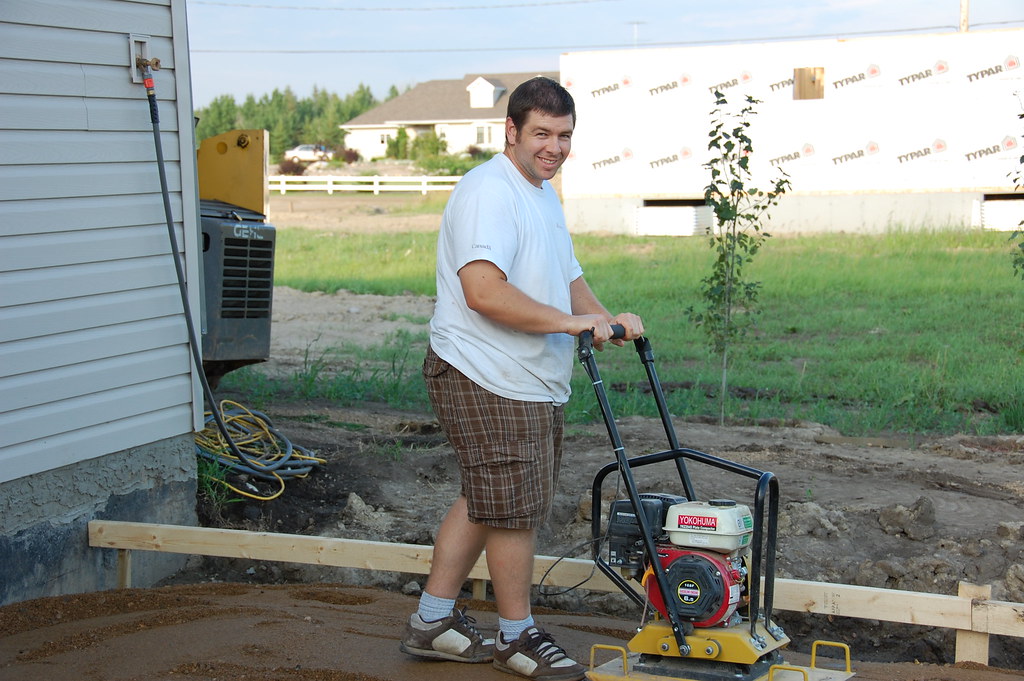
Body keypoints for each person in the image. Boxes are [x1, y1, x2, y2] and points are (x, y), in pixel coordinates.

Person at [398, 76, 644, 681]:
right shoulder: (490, 192)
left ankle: (431, 620)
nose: (554, 147)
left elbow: (567, 277)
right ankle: (516, 637)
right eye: (542, 133)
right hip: (485, 370)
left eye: (564, 136)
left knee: (489, 494)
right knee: (512, 507)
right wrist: (570, 324)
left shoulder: (540, 193)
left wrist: (604, 319)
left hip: (524, 375)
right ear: (510, 131)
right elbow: (483, 292)